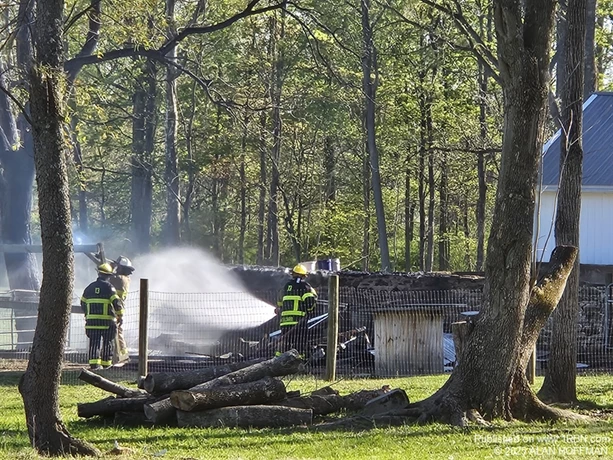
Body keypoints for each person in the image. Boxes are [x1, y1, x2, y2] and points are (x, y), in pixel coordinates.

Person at [81, 263, 124, 370]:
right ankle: (106, 364)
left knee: (94, 343)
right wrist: (120, 315)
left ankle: (94, 365)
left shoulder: (89, 288)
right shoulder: (109, 288)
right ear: (108, 276)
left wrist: (88, 314)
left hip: (91, 323)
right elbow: (116, 303)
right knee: (107, 343)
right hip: (107, 323)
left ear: (99, 274)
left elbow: (83, 303)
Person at [276, 264, 318, 355]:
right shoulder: (304, 286)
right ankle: (299, 359)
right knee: (299, 342)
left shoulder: (286, 286)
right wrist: (311, 309)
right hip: (298, 321)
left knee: (286, 342)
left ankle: (279, 359)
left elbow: (279, 303)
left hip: (285, 321)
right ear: (304, 276)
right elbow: (310, 302)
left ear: (293, 274)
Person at [109, 256, 135, 365]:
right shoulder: (124, 278)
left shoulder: (120, 279)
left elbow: (106, 277)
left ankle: (121, 357)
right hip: (116, 307)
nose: (116, 268)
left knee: (116, 332)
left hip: (116, 308)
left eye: (118, 267)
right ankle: (120, 356)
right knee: (117, 332)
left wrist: (110, 267)